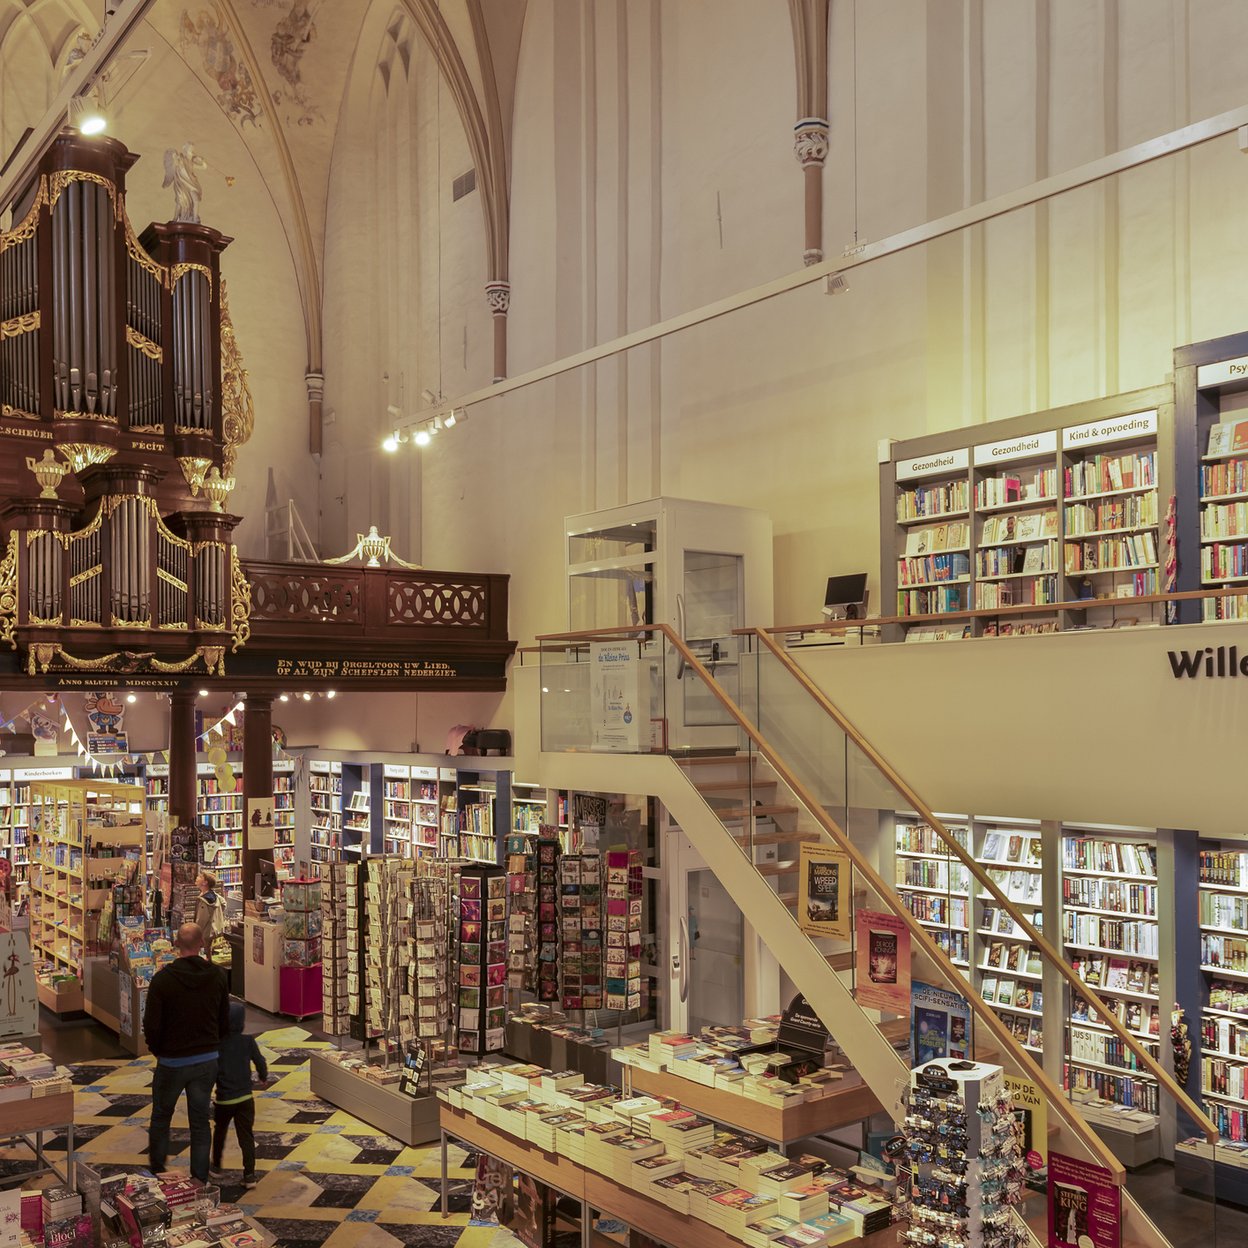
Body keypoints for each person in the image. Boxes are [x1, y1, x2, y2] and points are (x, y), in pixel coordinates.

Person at [144, 923, 229, 1181]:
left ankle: (158, 1171)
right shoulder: (217, 976)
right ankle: (199, 1178)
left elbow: (151, 1024)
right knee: (200, 1122)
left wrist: (158, 1050)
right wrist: (214, 1046)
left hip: (171, 1060)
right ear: (202, 943)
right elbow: (224, 1019)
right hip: (206, 1059)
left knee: (161, 1116)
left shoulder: (162, 980)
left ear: (176, 945)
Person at [210, 1000, 268, 1187]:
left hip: (224, 1099)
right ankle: (250, 1175)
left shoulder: (217, 1044)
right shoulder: (248, 1041)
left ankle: (216, 1167)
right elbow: (260, 1061)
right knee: (246, 1136)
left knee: (220, 1132)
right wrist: (263, 1076)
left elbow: (212, 1070)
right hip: (245, 1098)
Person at [195, 870, 227, 951]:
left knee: (206, 954)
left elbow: (201, 920)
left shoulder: (204, 900)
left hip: (206, 935)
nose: (197, 878)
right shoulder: (216, 896)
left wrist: (195, 933)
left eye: (200, 877)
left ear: (205, 882)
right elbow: (224, 904)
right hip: (217, 932)